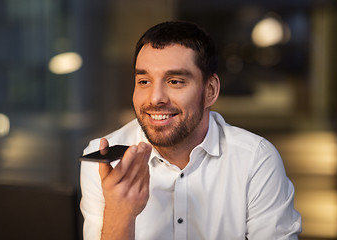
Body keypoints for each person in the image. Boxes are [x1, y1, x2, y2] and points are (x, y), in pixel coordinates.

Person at [80, 21, 302, 240]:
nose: (155, 98)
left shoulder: (255, 160)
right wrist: (120, 215)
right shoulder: (105, 161)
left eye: (175, 81)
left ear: (210, 90)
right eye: (144, 81)